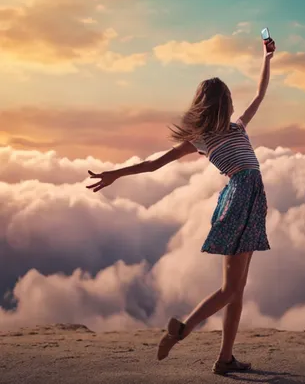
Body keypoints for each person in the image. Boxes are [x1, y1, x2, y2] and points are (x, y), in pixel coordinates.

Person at [86, 36, 276, 376]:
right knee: (231, 289)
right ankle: (182, 330)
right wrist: (115, 173)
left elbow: (260, 93)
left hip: (244, 200)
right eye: (230, 100)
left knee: (237, 290)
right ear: (225, 103)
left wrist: (267, 57)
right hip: (242, 199)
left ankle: (225, 359)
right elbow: (153, 165)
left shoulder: (230, 130)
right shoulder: (209, 137)